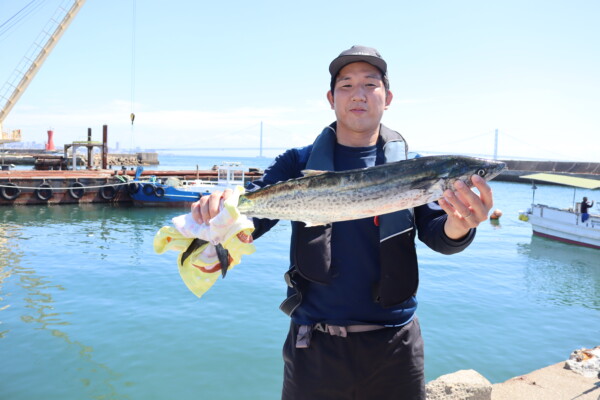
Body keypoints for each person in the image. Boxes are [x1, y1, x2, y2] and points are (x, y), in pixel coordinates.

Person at [191, 45, 494, 400]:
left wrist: (462, 224)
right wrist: (217, 213)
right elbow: (253, 214)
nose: (358, 94)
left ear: (388, 96)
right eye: (346, 85)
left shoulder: (414, 168)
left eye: (370, 84)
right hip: (314, 344)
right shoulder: (297, 162)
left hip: (396, 344)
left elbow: (437, 234)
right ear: (330, 97)